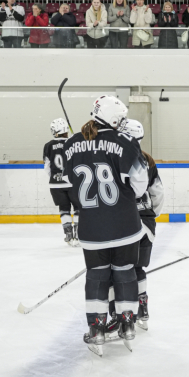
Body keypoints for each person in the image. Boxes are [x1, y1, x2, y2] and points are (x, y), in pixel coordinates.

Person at [62, 95, 148, 356]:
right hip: (125, 225)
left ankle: (97, 328)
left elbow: (69, 185)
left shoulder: (71, 143)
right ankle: (128, 323)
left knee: (97, 276)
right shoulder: (126, 142)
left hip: (92, 227)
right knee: (125, 272)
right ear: (115, 119)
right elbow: (140, 184)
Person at [106, 119, 164, 334]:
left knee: (114, 270)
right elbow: (158, 193)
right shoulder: (147, 159)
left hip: (121, 223)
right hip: (146, 223)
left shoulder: (111, 157)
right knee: (137, 268)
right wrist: (150, 215)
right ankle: (142, 309)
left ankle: (117, 315)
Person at [43, 118, 79, 246]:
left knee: (64, 208)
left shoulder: (48, 146)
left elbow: (47, 167)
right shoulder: (74, 143)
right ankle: (78, 234)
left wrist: (56, 177)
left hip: (55, 184)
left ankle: (68, 234)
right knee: (78, 208)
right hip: (73, 183)